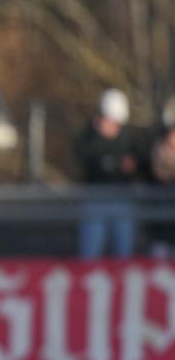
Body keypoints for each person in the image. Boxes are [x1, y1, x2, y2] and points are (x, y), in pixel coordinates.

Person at [74, 89, 141, 258]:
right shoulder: (89, 134)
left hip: (121, 197)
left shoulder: (128, 136)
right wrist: (99, 136)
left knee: (123, 249)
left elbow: (141, 158)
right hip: (95, 198)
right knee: (91, 249)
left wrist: (133, 166)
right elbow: (82, 155)